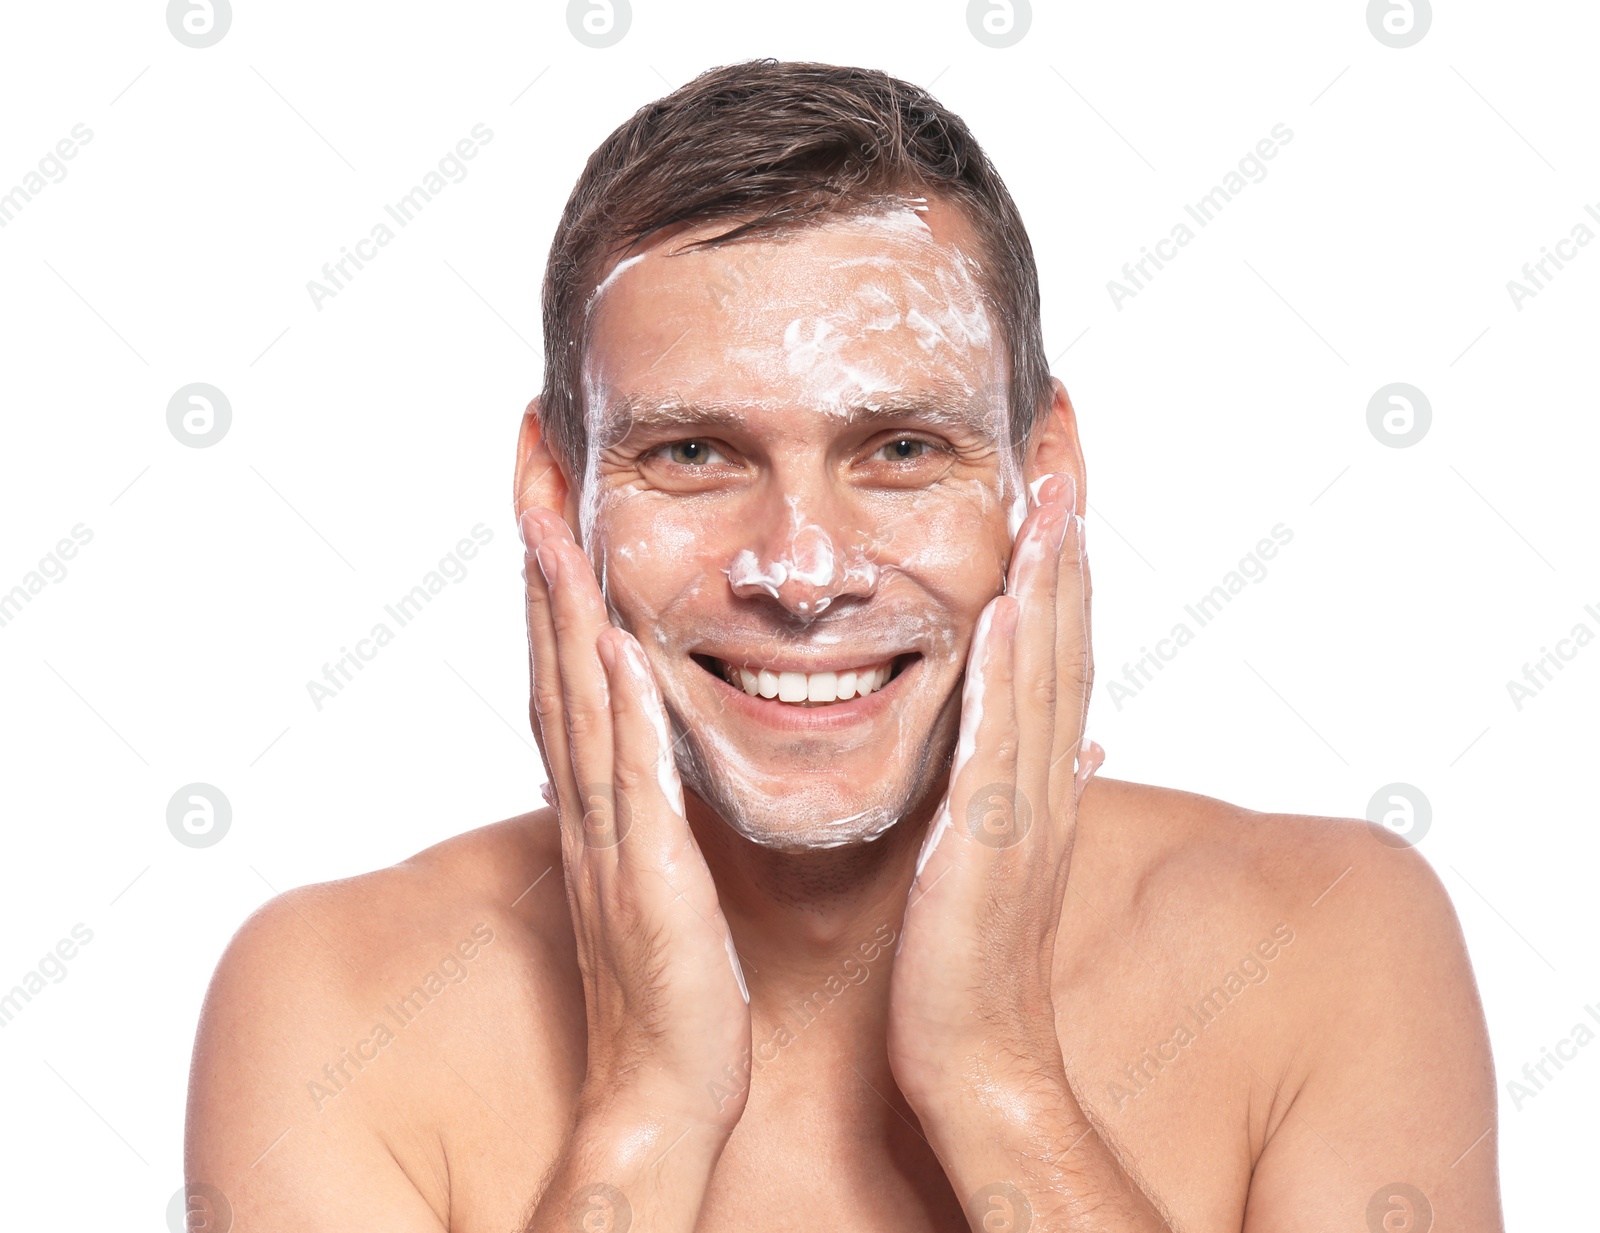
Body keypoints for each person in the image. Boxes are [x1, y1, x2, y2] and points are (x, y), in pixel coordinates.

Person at [185, 60, 1502, 1232]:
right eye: (694, 453)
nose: (802, 572)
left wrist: (998, 1077)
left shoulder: (1330, 943)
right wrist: (649, 1106)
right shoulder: (335, 1010)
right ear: (554, 490)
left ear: (1045, 476)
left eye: (902, 450)